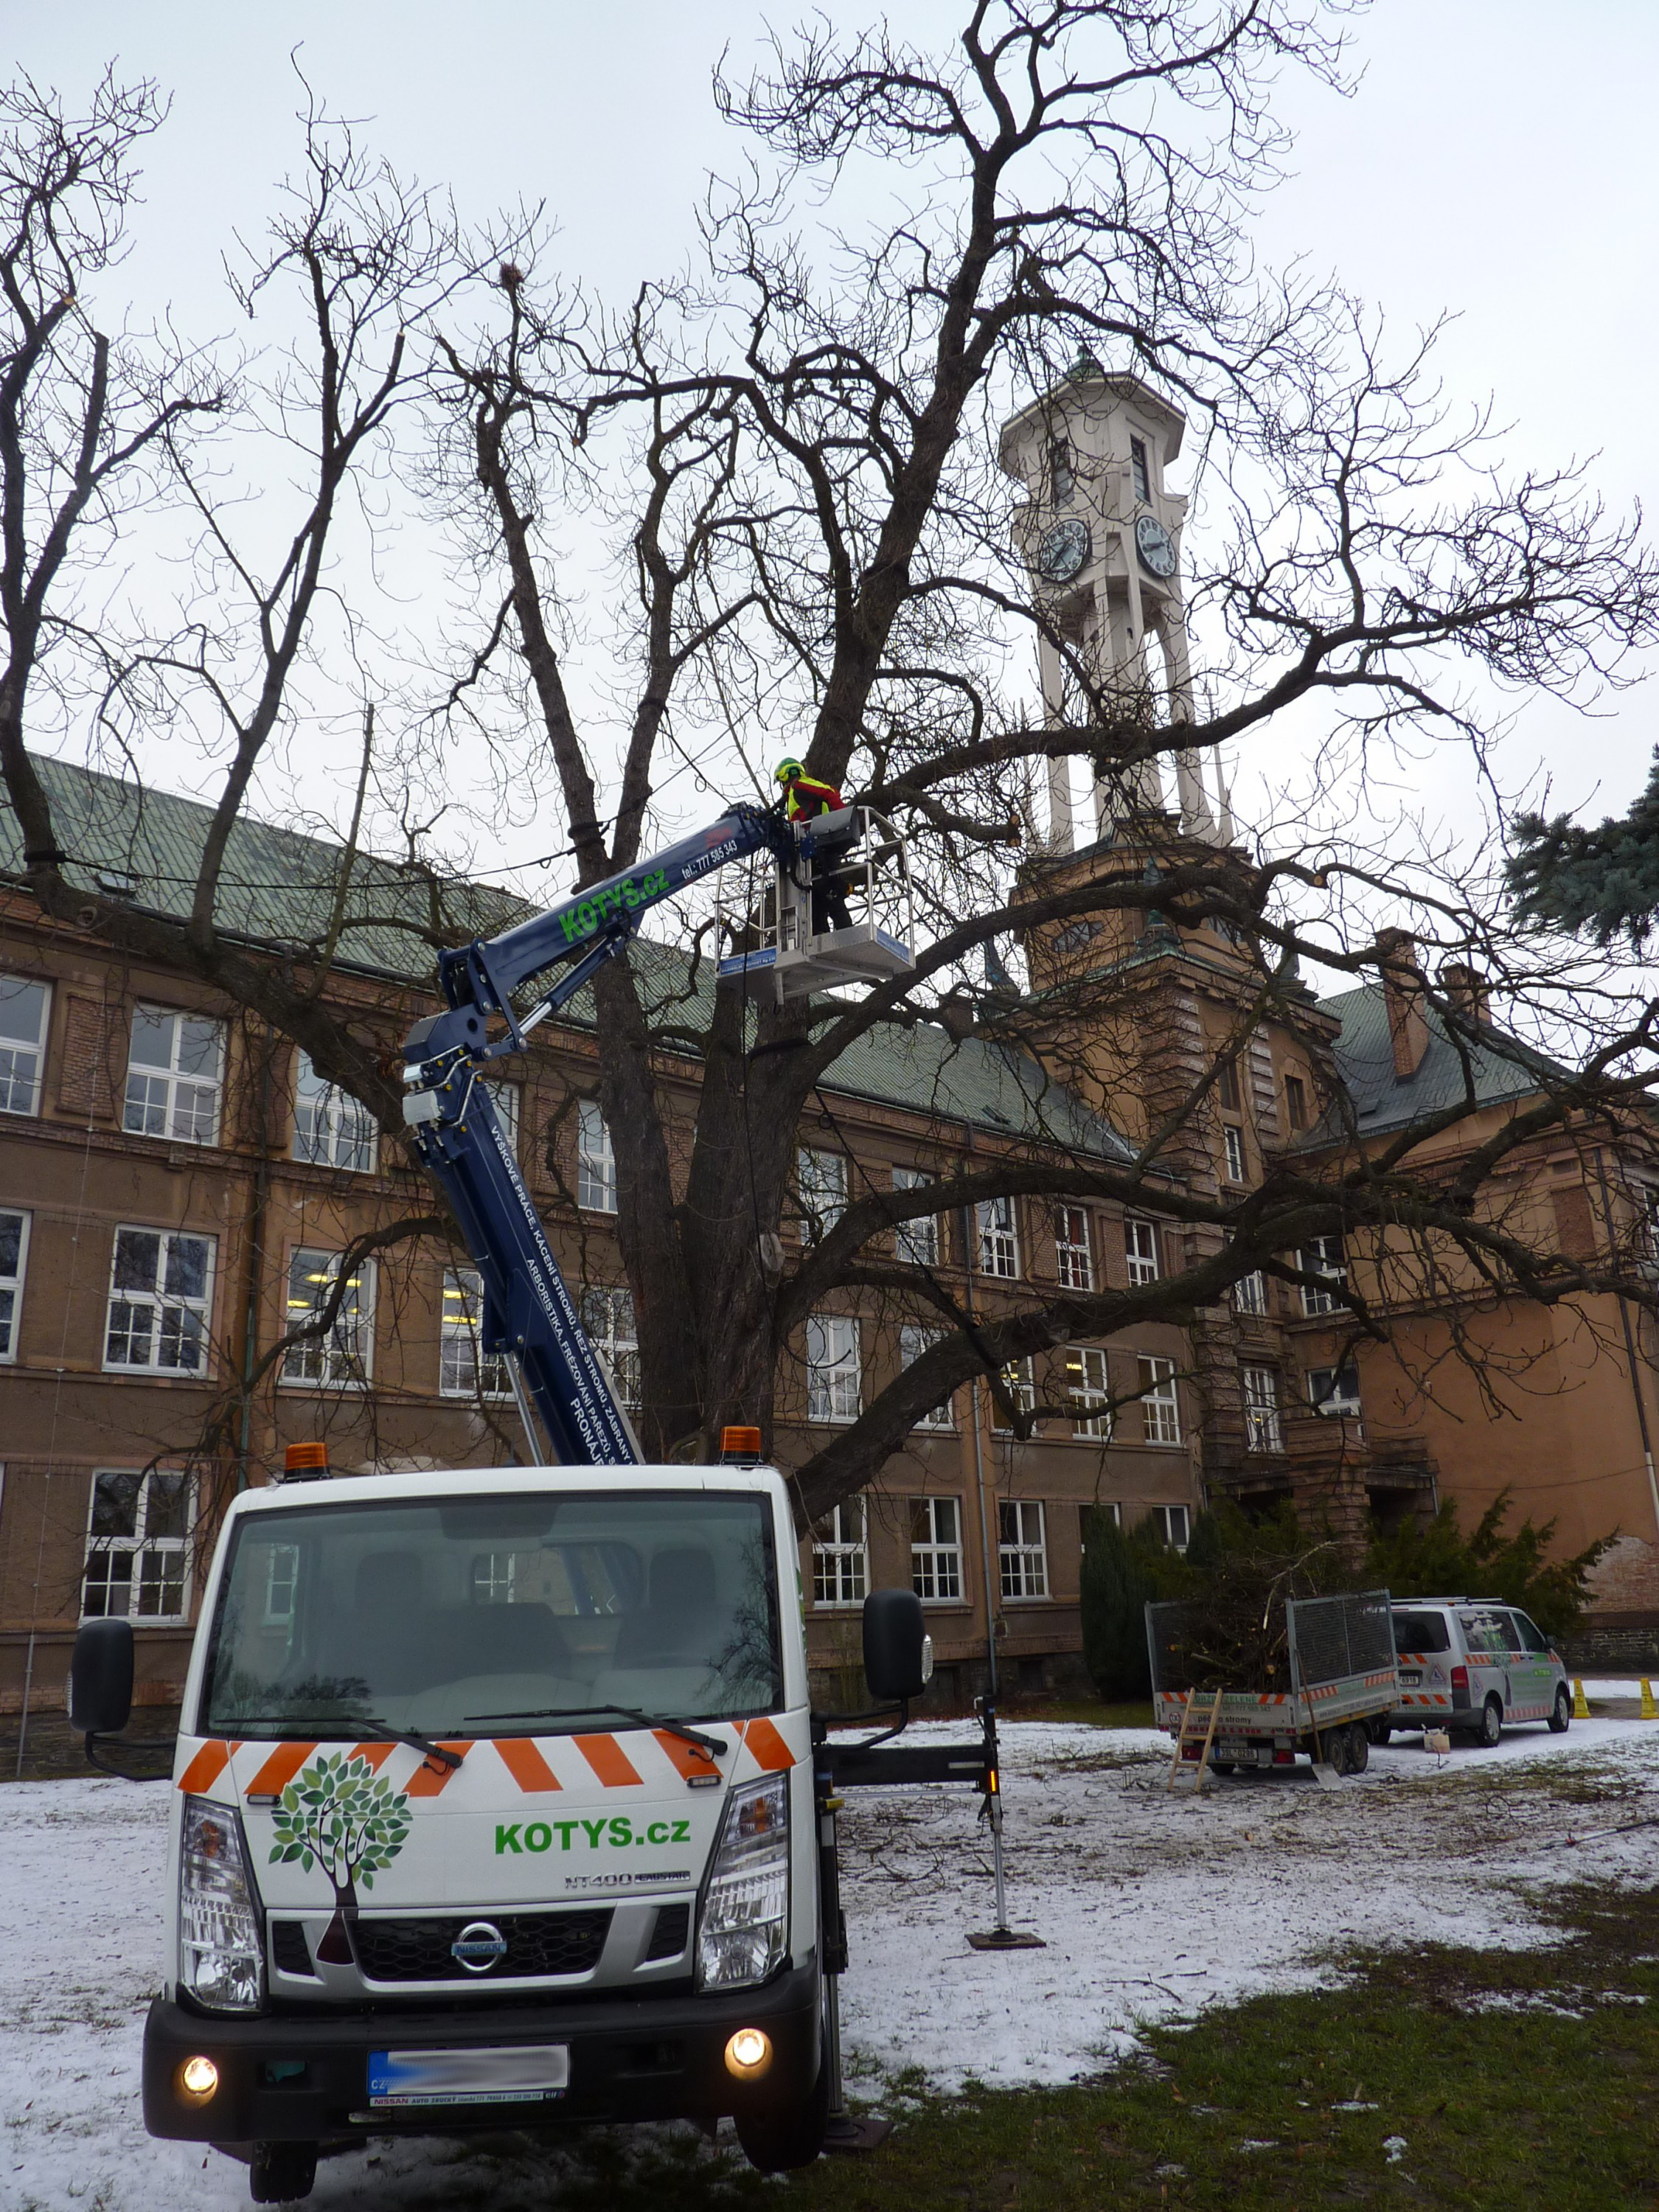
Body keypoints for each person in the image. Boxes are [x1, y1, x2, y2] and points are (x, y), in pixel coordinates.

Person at [774, 757, 855, 933]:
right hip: (812, 852)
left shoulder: (799, 786)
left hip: (819, 849)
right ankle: (822, 934)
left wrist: (844, 818)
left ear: (785, 776)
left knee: (830, 894)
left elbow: (828, 791)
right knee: (816, 901)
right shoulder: (793, 796)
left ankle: (846, 932)